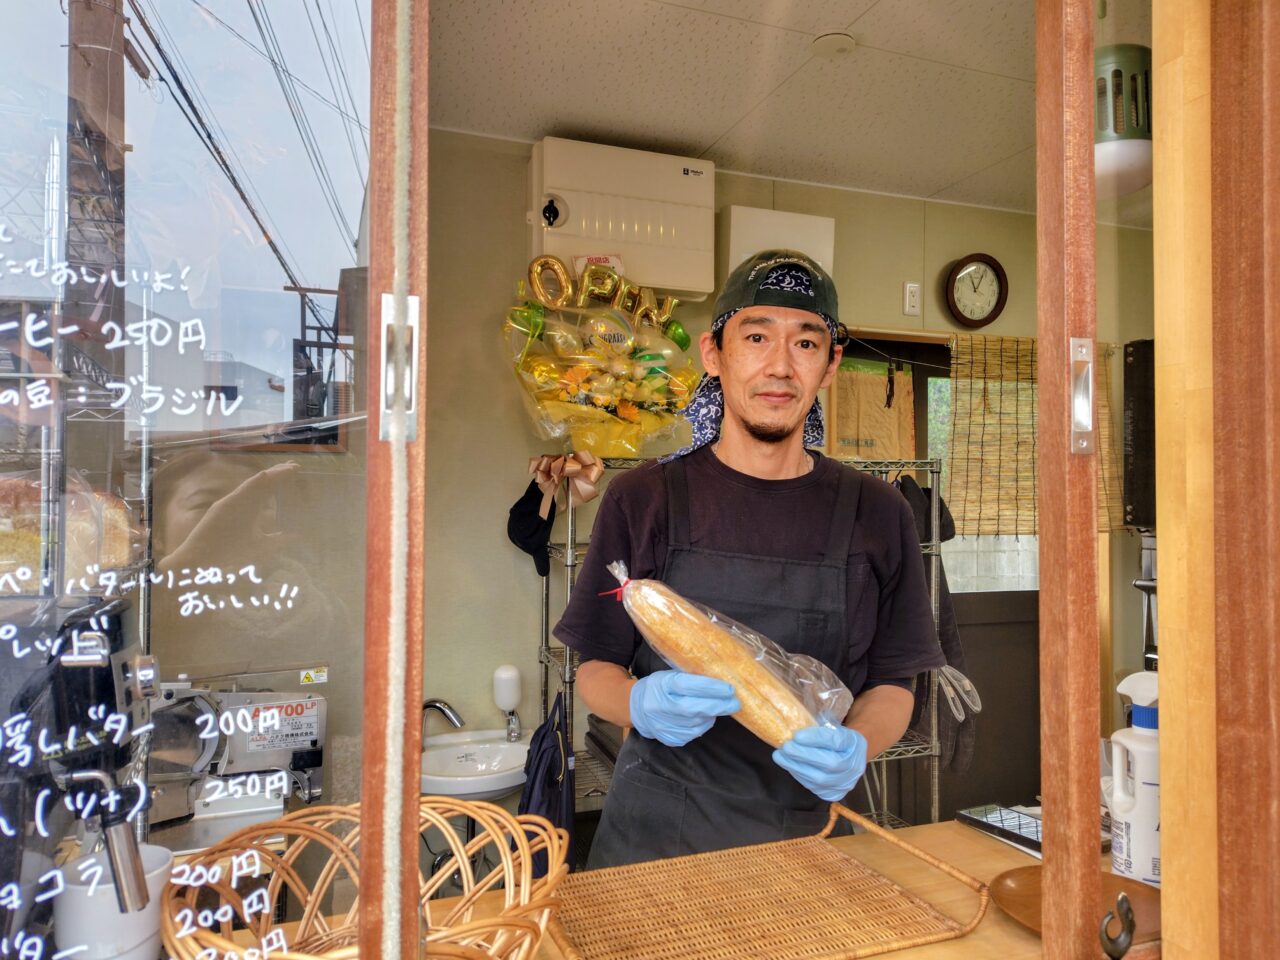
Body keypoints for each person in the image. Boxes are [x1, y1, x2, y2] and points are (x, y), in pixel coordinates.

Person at [554, 249, 945, 868]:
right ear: (715, 353)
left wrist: (857, 744)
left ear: (831, 363)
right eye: (757, 336)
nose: (780, 367)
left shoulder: (878, 512)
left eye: (806, 343)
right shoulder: (643, 498)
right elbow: (597, 668)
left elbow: (896, 685)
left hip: (804, 840)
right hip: (656, 840)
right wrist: (637, 705)